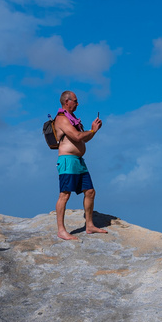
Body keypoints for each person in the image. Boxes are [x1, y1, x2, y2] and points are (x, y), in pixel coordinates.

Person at [51, 90, 106, 241]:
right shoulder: (61, 119)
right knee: (65, 194)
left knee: (90, 192)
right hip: (68, 160)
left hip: (79, 161)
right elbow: (76, 136)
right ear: (66, 102)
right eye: (75, 101)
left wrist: (93, 131)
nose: (77, 103)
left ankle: (89, 225)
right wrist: (92, 130)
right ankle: (61, 230)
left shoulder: (73, 118)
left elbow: (83, 139)